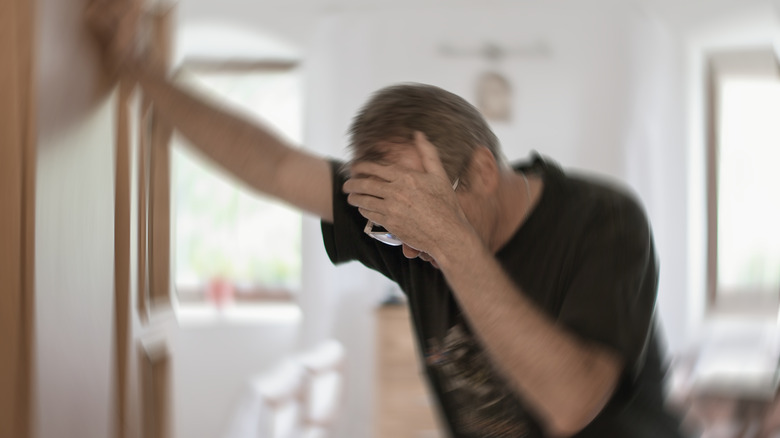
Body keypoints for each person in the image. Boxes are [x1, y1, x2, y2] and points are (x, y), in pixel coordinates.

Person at [88, 5, 686, 437]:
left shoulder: (604, 222)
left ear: (482, 170)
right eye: (389, 222)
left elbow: (571, 402)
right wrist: (138, 70)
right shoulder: (398, 223)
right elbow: (271, 165)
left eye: (421, 214)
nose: (410, 244)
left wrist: (450, 242)